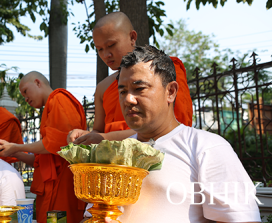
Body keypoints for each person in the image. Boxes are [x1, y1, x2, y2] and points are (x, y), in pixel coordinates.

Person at [99, 45, 261, 223]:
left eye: (139, 89)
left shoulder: (206, 148)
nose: (128, 99)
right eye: (123, 91)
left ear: (171, 91)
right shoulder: (114, 155)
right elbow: (93, 216)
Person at [68, 12, 193, 145]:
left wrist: (106, 138)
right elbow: (98, 131)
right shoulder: (102, 88)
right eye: (99, 49)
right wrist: (84, 135)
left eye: (111, 45)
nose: (106, 55)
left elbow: (175, 127)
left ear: (132, 37)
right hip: (115, 161)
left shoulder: (162, 71)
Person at [0, 71, 87, 223]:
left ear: (38, 83)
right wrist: (14, 151)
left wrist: (16, 146)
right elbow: (41, 161)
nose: (25, 99)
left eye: (25, 91)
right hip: (50, 192)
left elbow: (57, 145)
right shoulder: (49, 109)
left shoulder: (59, 99)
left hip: (63, 186)